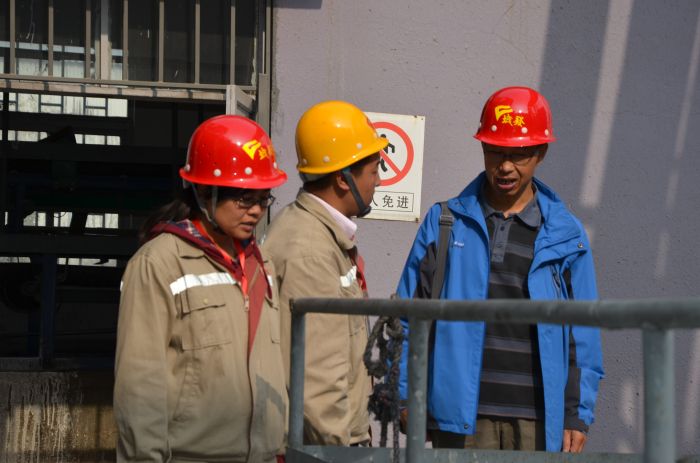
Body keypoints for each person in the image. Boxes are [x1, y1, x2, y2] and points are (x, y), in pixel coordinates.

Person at [396, 87, 604, 452]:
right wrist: (405, 394)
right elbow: (408, 315)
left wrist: (576, 414)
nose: (505, 166)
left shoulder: (567, 236)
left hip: (538, 423)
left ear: (541, 153)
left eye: (518, 154)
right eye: (495, 152)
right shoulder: (445, 223)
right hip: (458, 418)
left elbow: (582, 334)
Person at [114, 115, 288, 463]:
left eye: (263, 198)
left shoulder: (261, 264)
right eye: (244, 198)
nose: (256, 211)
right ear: (205, 192)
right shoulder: (159, 264)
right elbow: (140, 384)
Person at [263, 100, 387, 446]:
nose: (378, 181)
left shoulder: (316, 233)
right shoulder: (310, 252)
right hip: (327, 447)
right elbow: (318, 381)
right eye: (374, 170)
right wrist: (340, 451)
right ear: (343, 179)